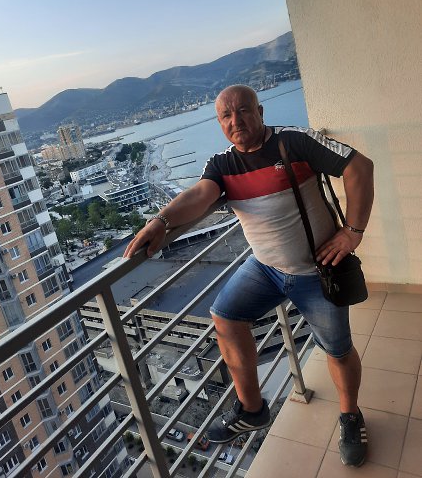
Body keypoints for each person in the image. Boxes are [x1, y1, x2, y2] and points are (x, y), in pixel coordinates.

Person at [124, 85, 374, 467]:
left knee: (338, 352)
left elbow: (360, 167)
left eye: (243, 110)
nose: (235, 120)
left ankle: (350, 416)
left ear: (260, 111)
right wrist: (161, 220)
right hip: (265, 268)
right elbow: (199, 195)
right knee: (224, 316)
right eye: (226, 115)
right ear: (219, 123)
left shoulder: (293, 142)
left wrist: (352, 232)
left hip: (316, 271)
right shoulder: (222, 165)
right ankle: (252, 409)